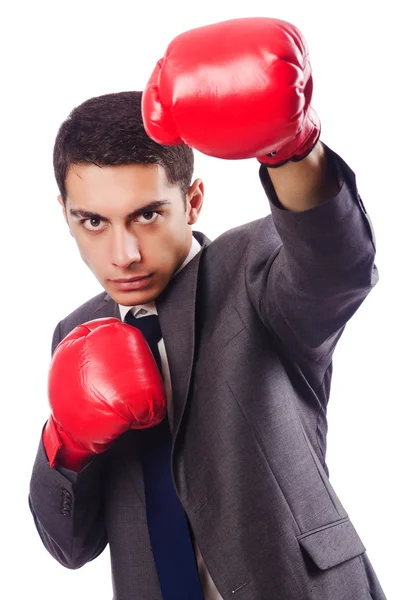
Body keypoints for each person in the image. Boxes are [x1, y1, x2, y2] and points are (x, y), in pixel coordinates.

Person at [29, 16, 386, 600]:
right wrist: (65, 441)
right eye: (93, 221)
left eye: (147, 214)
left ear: (192, 200)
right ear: (65, 215)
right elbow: (69, 545)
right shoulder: (75, 331)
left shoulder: (256, 267)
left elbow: (337, 270)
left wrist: (292, 150)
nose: (124, 254)